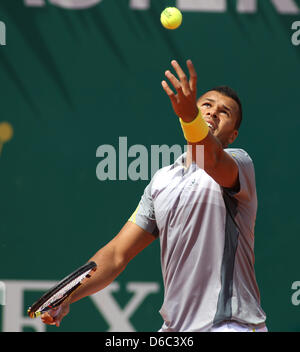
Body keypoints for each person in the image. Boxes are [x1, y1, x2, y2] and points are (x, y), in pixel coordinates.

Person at [42, 60, 267, 332]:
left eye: (224, 112)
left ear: (233, 135)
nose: (213, 112)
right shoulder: (162, 180)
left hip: (229, 325)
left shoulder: (238, 162)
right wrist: (69, 295)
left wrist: (188, 118)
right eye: (206, 105)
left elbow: (211, 157)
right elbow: (116, 254)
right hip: (175, 330)